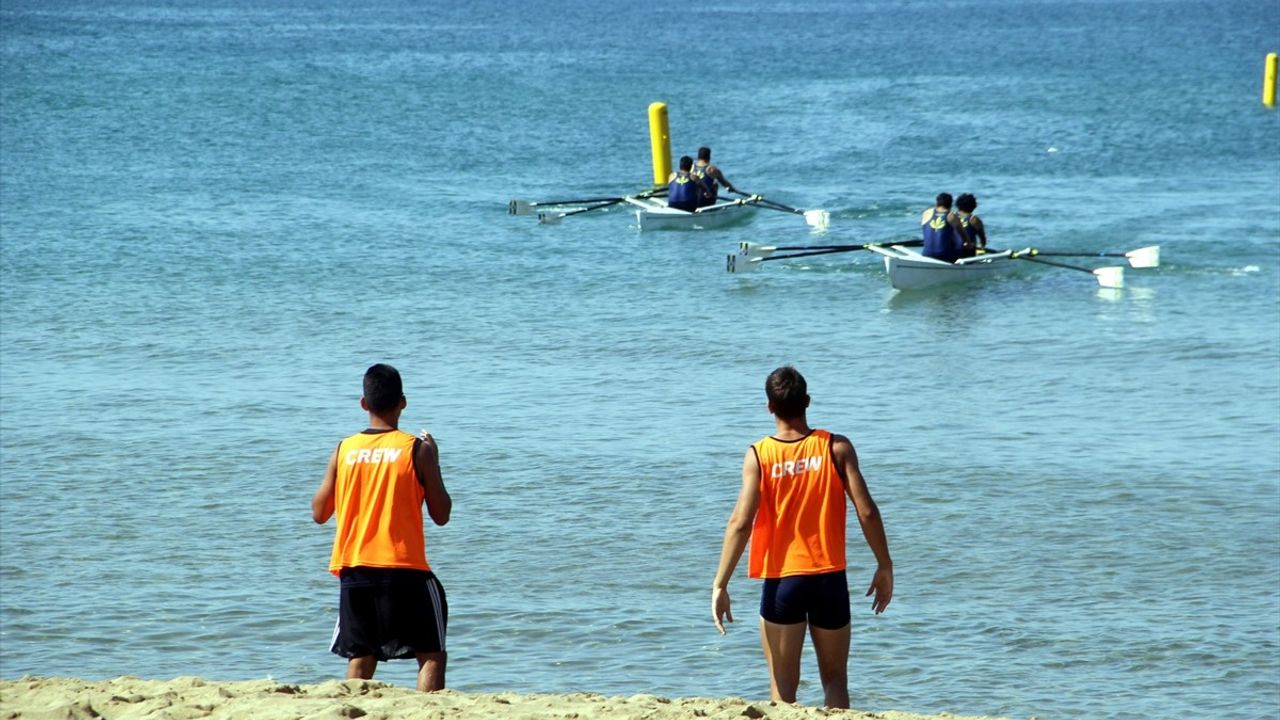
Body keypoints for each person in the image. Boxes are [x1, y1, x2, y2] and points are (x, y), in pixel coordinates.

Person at [712, 366, 893, 709]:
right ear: (807, 401)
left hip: (783, 581)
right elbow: (867, 511)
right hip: (829, 578)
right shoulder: (836, 447)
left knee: (783, 690)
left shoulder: (759, 455)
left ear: (769, 407)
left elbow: (740, 522)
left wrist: (720, 584)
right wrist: (885, 565)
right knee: (835, 680)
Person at [312, 363, 453, 692]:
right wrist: (435, 460)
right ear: (403, 402)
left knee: (361, 654)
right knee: (431, 653)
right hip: (403, 567)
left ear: (364, 403)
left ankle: (349, 709)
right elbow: (442, 514)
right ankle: (427, 711)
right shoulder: (416, 449)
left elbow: (319, 512)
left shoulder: (344, 449)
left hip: (354, 567)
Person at [920, 192, 971, 263]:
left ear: (937, 203)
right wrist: (968, 244)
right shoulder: (951, 216)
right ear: (950, 205)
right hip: (944, 256)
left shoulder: (926, 213)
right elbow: (964, 237)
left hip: (926, 254)